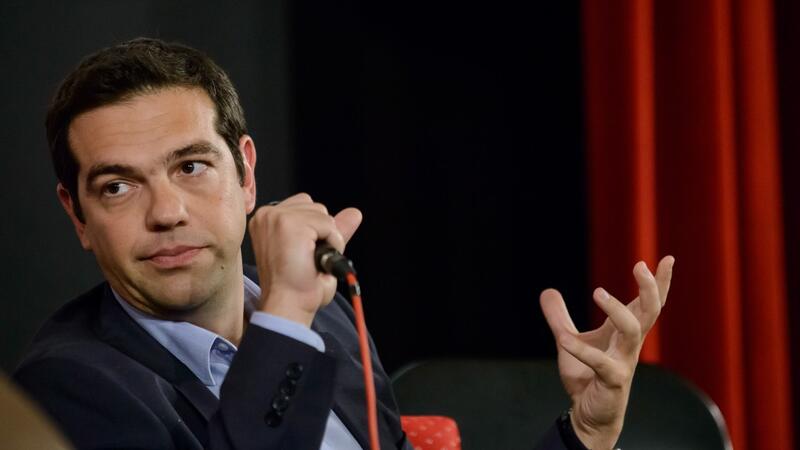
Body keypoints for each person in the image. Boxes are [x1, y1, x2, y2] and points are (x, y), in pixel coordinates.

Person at [13, 38, 674, 450]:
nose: (166, 212)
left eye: (191, 167)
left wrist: (586, 432)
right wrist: (284, 322)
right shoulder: (66, 387)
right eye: (118, 186)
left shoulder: (326, 315)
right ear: (78, 216)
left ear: (246, 175)